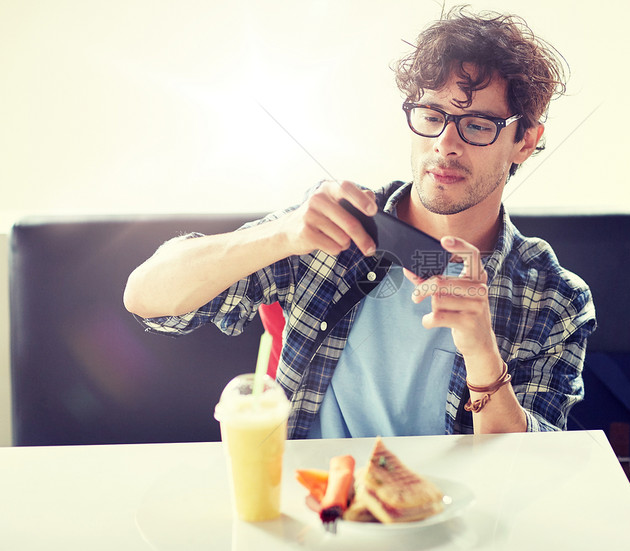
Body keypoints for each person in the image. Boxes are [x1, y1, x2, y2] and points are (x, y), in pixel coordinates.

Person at [123, 7, 596, 439]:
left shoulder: (553, 297)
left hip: (452, 525)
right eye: (432, 115)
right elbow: (147, 299)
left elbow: (531, 468)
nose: (445, 144)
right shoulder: (333, 228)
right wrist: (281, 234)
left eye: (477, 125)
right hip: (313, 511)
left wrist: (483, 358)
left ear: (525, 141)